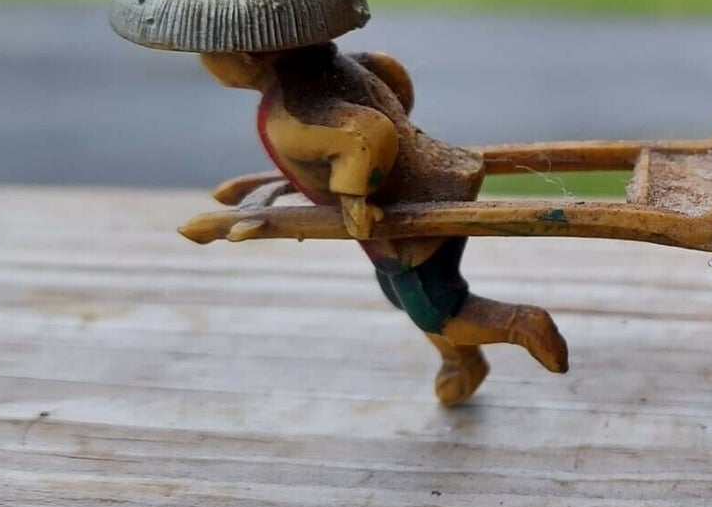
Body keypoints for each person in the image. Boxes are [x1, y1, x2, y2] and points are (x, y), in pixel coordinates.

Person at [201, 41, 568, 407]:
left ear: (247, 57)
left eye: (210, 54)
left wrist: (355, 199)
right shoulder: (337, 64)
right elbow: (390, 72)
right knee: (402, 296)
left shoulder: (290, 116)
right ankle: (463, 360)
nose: (205, 64)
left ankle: (523, 324)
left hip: (412, 218)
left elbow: (367, 133)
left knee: (435, 309)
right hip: (440, 175)